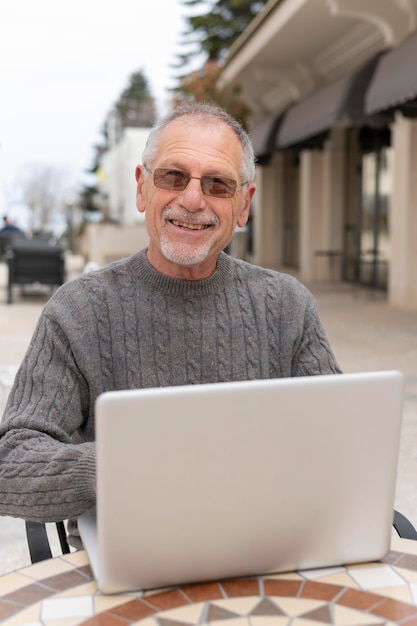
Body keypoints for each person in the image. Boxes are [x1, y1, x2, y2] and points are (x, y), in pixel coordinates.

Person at [0, 102, 341, 549]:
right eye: (173, 177)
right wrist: (122, 468)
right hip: (130, 560)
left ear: (244, 205)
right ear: (143, 189)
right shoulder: (79, 310)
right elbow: (11, 466)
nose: (193, 199)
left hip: (264, 545)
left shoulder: (287, 306)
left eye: (217, 183)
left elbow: (340, 446)